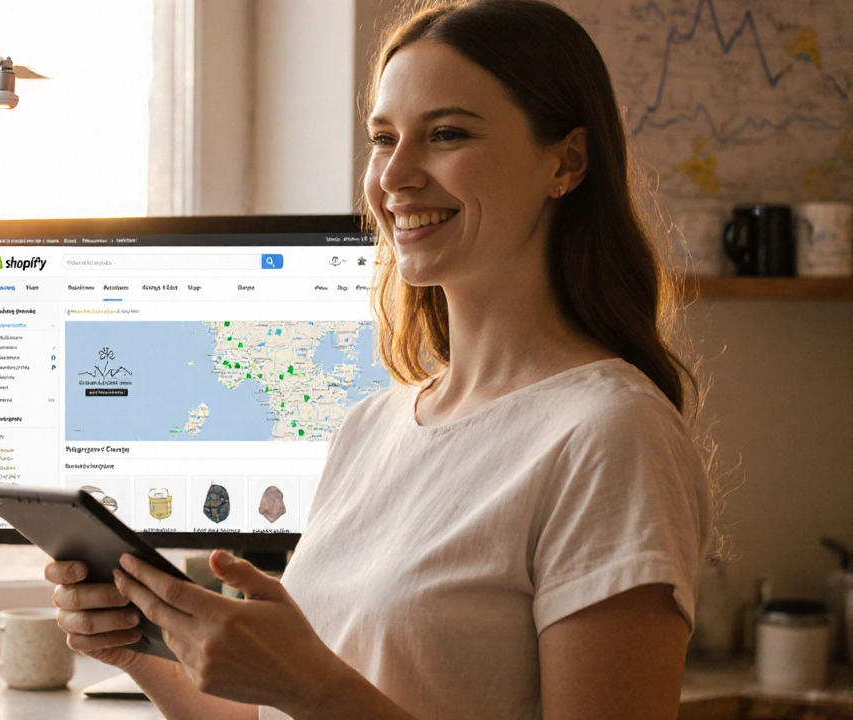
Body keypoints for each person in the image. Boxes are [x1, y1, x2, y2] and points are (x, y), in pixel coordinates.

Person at [45, 0, 714, 717]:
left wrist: (307, 683)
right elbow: (285, 712)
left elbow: (318, 697)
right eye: (382, 138)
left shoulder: (610, 436)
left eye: (447, 134)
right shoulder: (371, 426)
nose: (395, 176)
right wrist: (139, 651)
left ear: (567, 161)